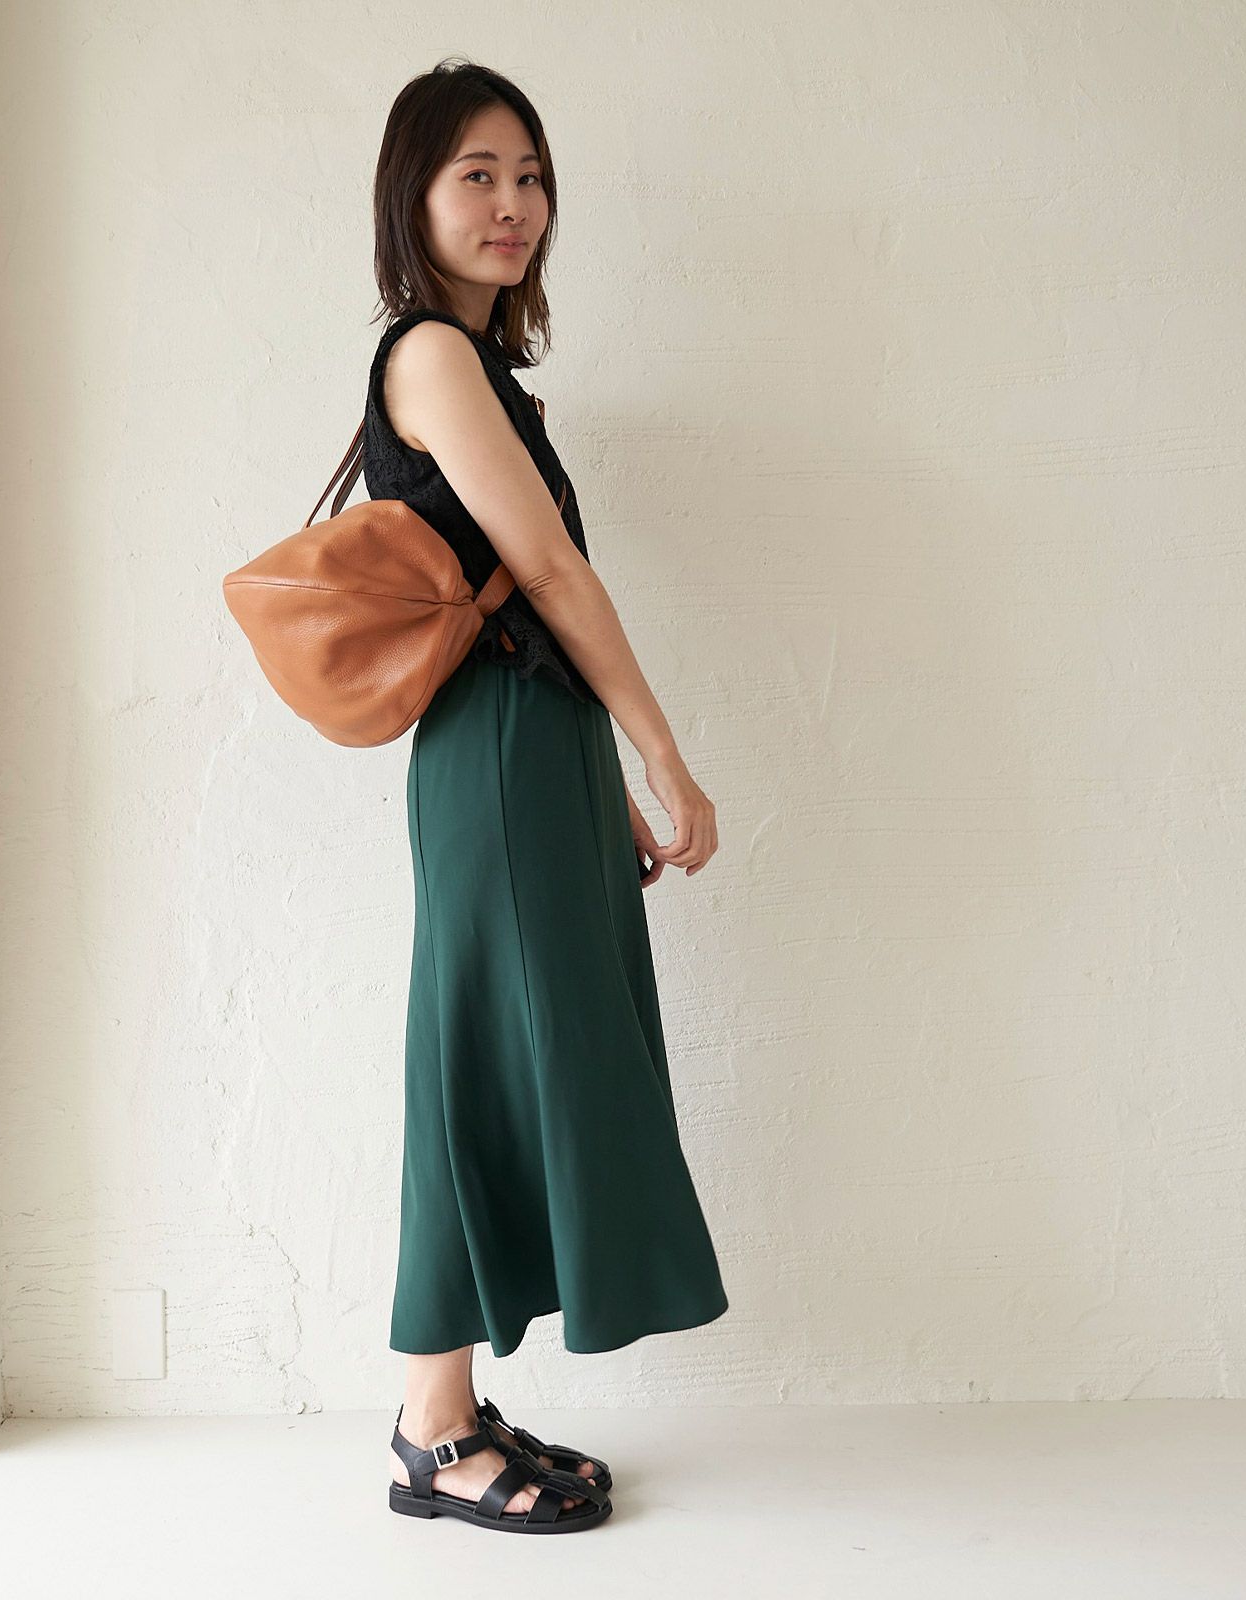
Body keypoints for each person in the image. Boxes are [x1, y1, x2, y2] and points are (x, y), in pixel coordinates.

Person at [364, 58, 729, 1536]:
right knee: (473, 1064)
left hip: (530, 746)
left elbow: (527, 596)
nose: (513, 202)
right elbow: (553, 575)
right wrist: (662, 750)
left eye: (530, 176)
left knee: (511, 1060)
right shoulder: (430, 356)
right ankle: (429, 1429)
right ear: (414, 195)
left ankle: (449, 1407)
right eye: (478, 174)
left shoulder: (479, 364)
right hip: (501, 751)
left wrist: (598, 768)